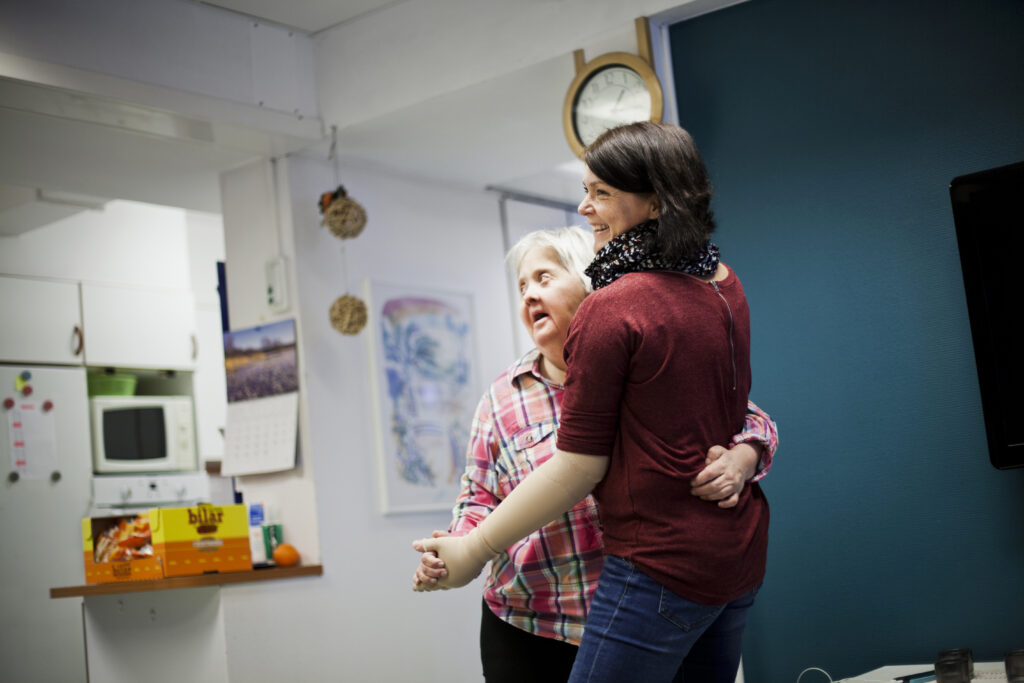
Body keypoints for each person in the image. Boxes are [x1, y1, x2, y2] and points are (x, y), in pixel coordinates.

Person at [413, 216, 776, 681]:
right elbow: (478, 494)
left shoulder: (645, 365)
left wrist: (744, 457)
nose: (528, 294)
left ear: (589, 281)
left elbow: (750, 418)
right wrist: (453, 546)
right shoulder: (501, 398)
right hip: (528, 620)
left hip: (636, 613)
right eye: (522, 284)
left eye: (544, 277)